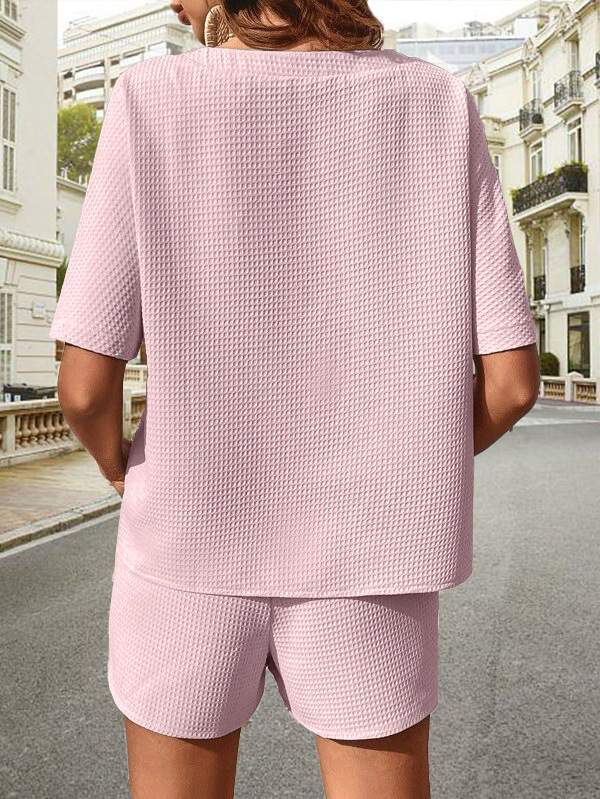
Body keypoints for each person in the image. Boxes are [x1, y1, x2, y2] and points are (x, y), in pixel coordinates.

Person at [49, 1, 541, 797]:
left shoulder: (150, 97)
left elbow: (83, 387)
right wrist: (399, 459)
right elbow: (512, 383)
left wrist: (122, 468)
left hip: (188, 538)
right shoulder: (437, 101)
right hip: (374, 552)